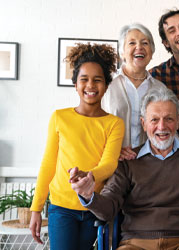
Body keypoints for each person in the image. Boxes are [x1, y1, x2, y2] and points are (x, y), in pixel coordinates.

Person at [69, 87, 179, 250]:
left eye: (169, 119)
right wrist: (88, 196)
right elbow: (108, 209)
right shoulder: (128, 160)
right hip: (135, 243)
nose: (161, 127)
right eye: (154, 120)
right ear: (143, 123)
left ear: (178, 121)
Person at [29, 43, 125, 250]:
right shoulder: (59, 117)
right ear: (75, 84)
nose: (90, 85)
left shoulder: (114, 124)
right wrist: (36, 209)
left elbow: (109, 163)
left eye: (97, 80)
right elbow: (48, 164)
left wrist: (88, 176)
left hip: (94, 207)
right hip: (61, 208)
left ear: (106, 86)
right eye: (84, 79)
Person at [103, 23, 166, 161]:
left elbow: (166, 126)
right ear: (122, 52)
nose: (139, 47)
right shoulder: (106, 85)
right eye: (132, 43)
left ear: (152, 52)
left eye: (145, 43)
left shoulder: (160, 89)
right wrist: (113, 150)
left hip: (150, 164)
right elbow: (94, 126)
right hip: (112, 161)